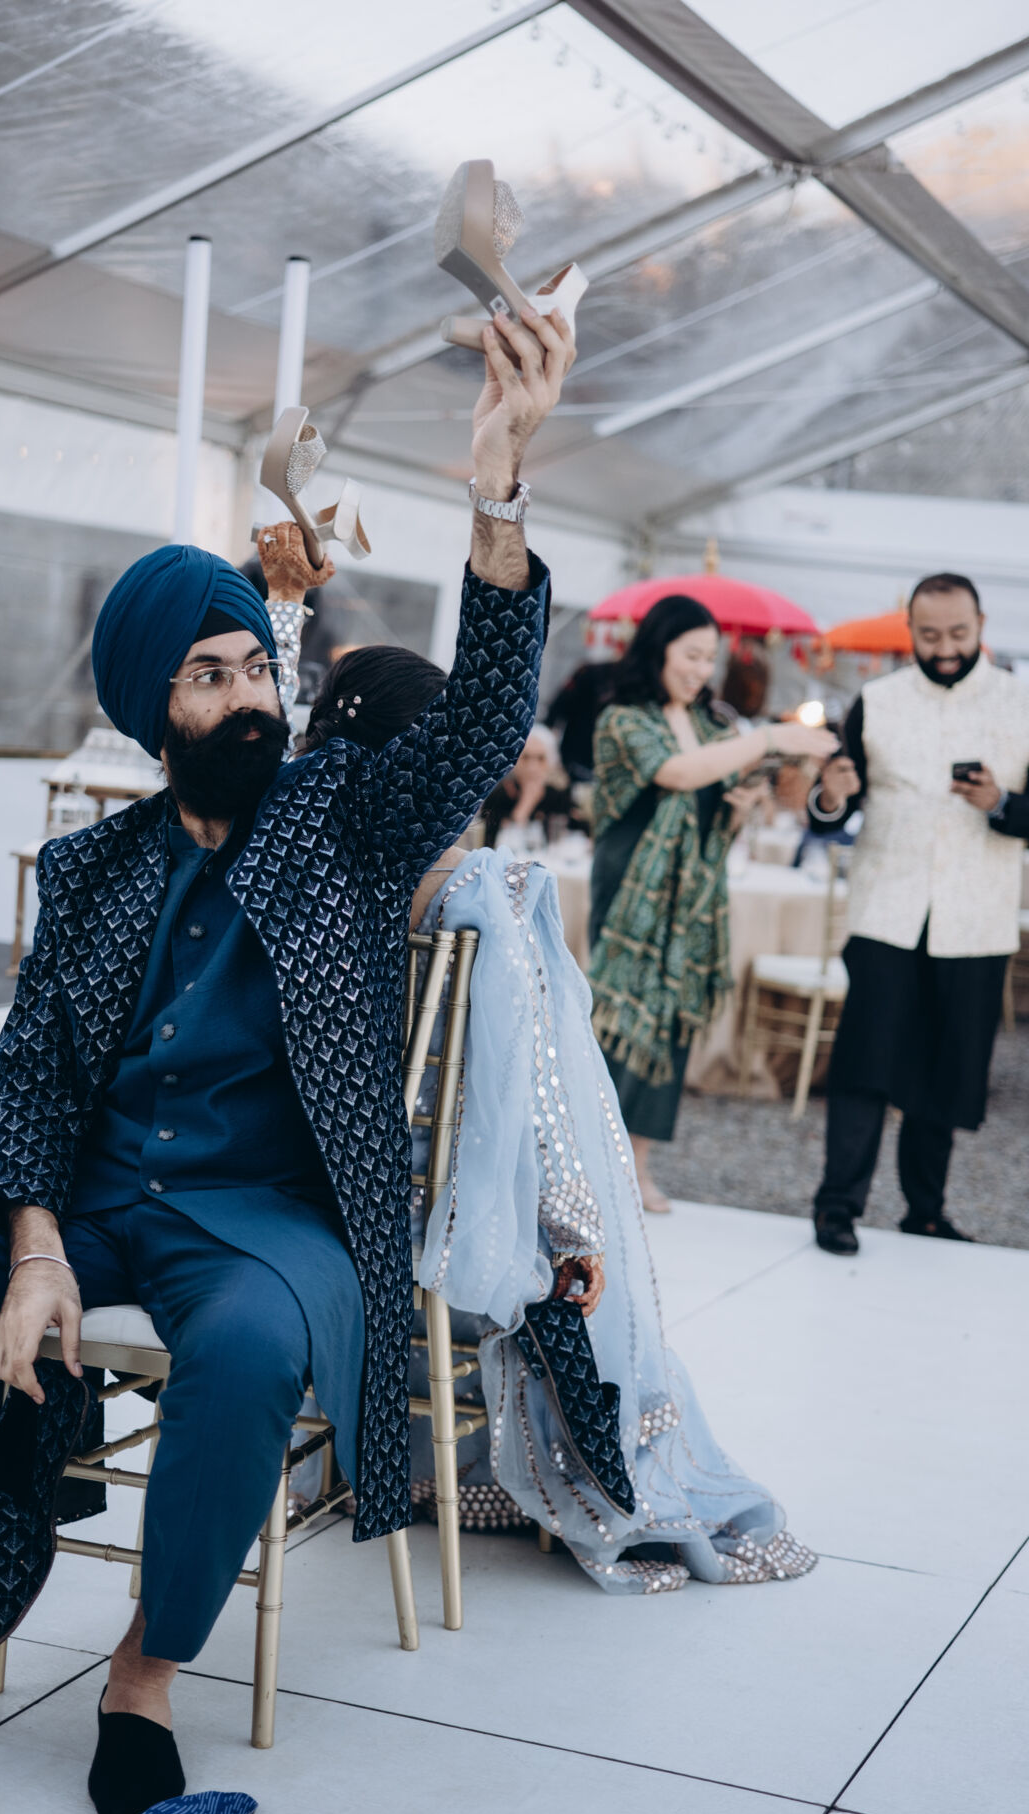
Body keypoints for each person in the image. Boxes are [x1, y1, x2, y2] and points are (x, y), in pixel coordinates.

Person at [0, 304, 575, 1814]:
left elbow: (486, 718)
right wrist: (35, 1251)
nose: (246, 698)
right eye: (207, 677)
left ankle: (143, 1678)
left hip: (270, 1221)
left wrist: (498, 490)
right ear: (151, 709)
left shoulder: (347, 818)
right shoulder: (90, 869)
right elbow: (32, 1081)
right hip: (87, 1202)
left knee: (237, 1354)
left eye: (253, 668)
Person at [307, 646, 816, 1593]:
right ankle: (527, 1465)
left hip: (318, 1205)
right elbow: (537, 1092)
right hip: (448, 1217)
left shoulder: (301, 876)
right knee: (549, 1246)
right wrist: (575, 1227)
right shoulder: (488, 894)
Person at [808, 572, 1029, 1255]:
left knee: (947, 1064)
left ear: (981, 626)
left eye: (958, 633)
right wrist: (831, 796)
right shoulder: (876, 700)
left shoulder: (1026, 705)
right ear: (911, 631)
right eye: (930, 636)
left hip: (975, 917)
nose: (946, 648)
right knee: (864, 1063)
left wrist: (1001, 804)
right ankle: (837, 1208)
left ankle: (925, 1212)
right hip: (885, 909)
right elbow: (835, 803)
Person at [585, 595, 833, 1214]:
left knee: (670, 1026)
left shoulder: (712, 725)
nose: (701, 670)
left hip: (694, 897)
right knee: (619, 1021)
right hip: (631, 894)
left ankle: (638, 1165)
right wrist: (767, 736)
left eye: (708, 659)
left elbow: (714, 801)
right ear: (658, 649)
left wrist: (740, 808)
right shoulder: (622, 718)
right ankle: (587, 1164)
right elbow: (677, 773)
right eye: (690, 655)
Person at [479, 723, 580, 847]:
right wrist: (524, 806)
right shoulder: (499, 796)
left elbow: (578, 834)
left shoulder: (558, 796)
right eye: (525, 758)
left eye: (540, 758)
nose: (532, 768)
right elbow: (489, 844)